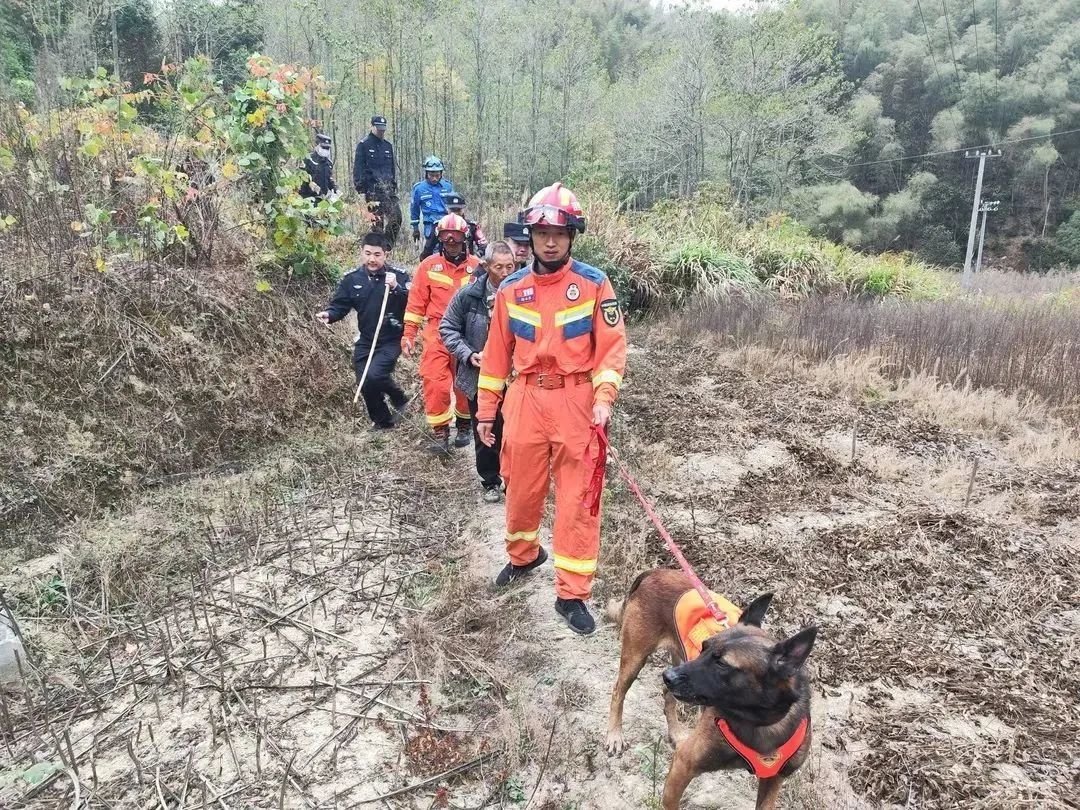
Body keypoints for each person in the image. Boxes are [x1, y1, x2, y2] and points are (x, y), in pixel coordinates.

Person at [476, 183, 627, 636]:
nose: (551, 240)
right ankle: (524, 557)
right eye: (542, 231)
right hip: (524, 398)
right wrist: (486, 412)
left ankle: (572, 593)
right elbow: (496, 355)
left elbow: (612, 350)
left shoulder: (595, 284)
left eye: (560, 232)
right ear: (530, 235)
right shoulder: (511, 290)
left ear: (573, 236)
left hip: (577, 401)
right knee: (519, 486)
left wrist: (602, 401)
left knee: (579, 500)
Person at [439, 241, 515, 501]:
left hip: (516, 379)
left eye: (510, 266)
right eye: (499, 267)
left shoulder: (523, 292)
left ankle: (515, 480)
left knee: (516, 432)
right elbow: (447, 328)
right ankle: (490, 481)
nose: (505, 273)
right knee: (486, 429)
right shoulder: (469, 295)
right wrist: (469, 354)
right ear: (485, 266)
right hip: (479, 376)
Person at [403, 214, 483, 454]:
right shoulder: (428, 266)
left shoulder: (478, 268)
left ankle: (465, 424)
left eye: (456, 238)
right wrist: (408, 335)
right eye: (447, 239)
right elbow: (416, 303)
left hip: (467, 334)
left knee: (465, 383)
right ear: (439, 239)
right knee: (435, 381)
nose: (451, 242)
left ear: (464, 239)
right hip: (436, 333)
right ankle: (440, 432)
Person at [316, 233, 411, 429]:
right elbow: (340, 305)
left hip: (392, 338)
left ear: (386, 254)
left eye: (377, 254)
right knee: (364, 382)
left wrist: (396, 287)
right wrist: (329, 315)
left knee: (375, 375)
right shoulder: (352, 279)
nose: (372, 259)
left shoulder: (399, 276)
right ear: (362, 252)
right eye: (367, 253)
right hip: (367, 339)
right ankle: (382, 421)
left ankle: (398, 396)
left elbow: (412, 302)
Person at [353, 115, 402, 246]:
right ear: (372, 127)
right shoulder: (364, 145)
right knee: (377, 225)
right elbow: (358, 167)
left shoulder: (387, 146)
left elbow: (391, 168)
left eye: (383, 129)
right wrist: (360, 187)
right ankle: (379, 249)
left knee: (396, 217)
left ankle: (387, 245)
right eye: (378, 128)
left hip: (387, 190)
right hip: (373, 191)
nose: (381, 131)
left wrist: (393, 184)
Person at [420, 192, 488, 260]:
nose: (455, 213)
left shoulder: (472, 226)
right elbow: (428, 248)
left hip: (466, 264)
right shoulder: (439, 226)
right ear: (447, 209)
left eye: (458, 210)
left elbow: (484, 245)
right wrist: (426, 263)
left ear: (463, 209)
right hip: (443, 264)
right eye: (452, 210)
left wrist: (476, 257)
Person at [410, 156, 454, 247]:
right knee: (433, 251)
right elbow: (414, 210)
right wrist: (415, 228)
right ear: (426, 174)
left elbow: (454, 207)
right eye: (431, 175)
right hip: (429, 225)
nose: (434, 178)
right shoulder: (419, 189)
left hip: (447, 223)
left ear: (441, 174)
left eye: (437, 175)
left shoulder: (448, 187)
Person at [301, 133, 337, 200]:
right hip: (307, 197)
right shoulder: (308, 159)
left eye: (327, 148)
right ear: (317, 146)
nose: (325, 150)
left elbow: (329, 179)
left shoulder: (329, 163)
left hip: (323, 198)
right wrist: (311, 184)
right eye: (323, 147)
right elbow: (301, 176)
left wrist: (334, 187)